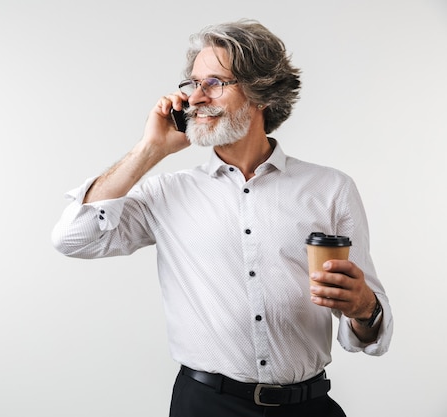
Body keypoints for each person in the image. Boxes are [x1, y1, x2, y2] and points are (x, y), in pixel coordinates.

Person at [51, 19, 393, 417]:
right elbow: (72, 238)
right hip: (205, 406)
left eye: (214, 83)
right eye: (193, 84)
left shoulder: (331, 188)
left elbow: (370, 331)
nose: (196, 98)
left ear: (261, 92)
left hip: (309, 407)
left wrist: (365, 308)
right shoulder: (166, 193)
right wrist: (150, 149)